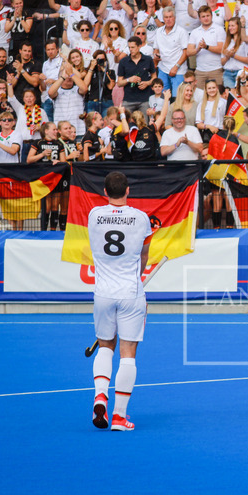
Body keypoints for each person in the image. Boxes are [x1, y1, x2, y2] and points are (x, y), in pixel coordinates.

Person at [87, 171, 153, 432]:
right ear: (128, 191)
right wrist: (136, 278)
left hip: (103, 293)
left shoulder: (94, 215)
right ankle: (119, 416)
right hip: (130, 292)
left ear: (105, 192)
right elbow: (144, 255)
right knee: (128, 354)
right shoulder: (141, 218)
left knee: (105, 347)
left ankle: (100, 396)